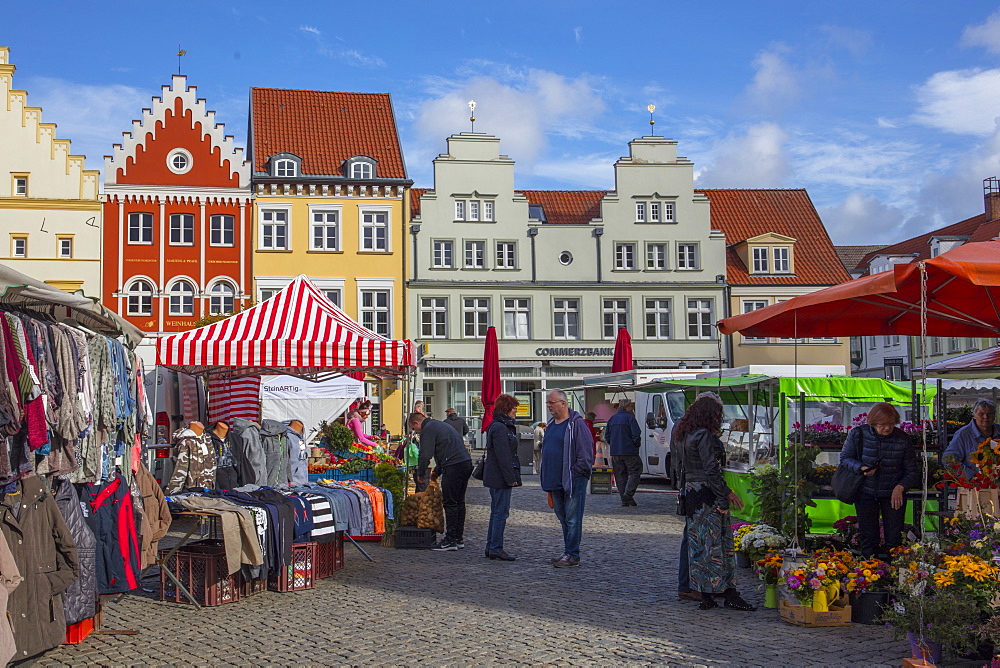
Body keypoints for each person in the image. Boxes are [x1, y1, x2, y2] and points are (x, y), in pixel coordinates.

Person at [675, 394, 755, 611]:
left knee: (699, 546)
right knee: (719, 545)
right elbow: (712, 470)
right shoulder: (704, 437)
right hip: (706, 494)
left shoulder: (685, 434)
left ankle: (707, 595)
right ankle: (728, 592)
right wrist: (724, 497)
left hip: (692, 492)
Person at [840, 402, 919, 558]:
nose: (887, 428)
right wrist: (861, 468)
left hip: (893, 494)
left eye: (891, 424)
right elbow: (845, 458)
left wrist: (901, 487)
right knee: (869, 538)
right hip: (865, 492)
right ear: (873, 423)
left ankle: (895, 574)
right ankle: (869, 573)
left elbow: (912, 471)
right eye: (883, 424)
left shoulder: (902, 439)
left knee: (894, 539)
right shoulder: (858, 434)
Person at [540, 390, 594, 568]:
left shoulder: (576, 425)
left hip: (572, 480)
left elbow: (586, 453)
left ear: (563, 403)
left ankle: (573, 555)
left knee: (572, 518)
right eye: (548, 403)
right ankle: (567, 551)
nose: (549, 406)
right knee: (563, 518)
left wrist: (577, 472)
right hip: (554, 480)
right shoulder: (551, 424)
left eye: (552, 403)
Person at [408, 411, 474, 551]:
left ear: (416, 423)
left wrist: (421, 472)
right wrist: (437, 470)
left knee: (450, 503)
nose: (416, 432)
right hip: (465, 462)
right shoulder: (439, 425)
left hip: (453, 466)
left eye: (414, 429)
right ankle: (458, 538)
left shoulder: (428, 429)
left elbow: (425, 454)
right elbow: (447, 449)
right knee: (459, 502)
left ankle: (450, 539)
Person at [483, 394, 522, 561]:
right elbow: (503, 455)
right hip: (500, 476)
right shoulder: (500, 427)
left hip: (497, 475)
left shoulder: (498, 425)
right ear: (507, 409)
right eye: (514, 408)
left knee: (497, 511)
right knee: (500, 512)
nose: (516, 412)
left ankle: (492, 546)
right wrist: (510, 477)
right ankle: (495, 547)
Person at [944, 399, 1000, 479]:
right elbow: (948, 459)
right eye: (981, 414)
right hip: (974, 486)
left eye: (990, 414)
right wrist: (971, 476)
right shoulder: (963, 434)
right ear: (974, 415)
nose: (986, 417)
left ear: (994, 415)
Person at [606, 399, 642, 507]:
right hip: (629, 451)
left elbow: (607, 436)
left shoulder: (612, 419)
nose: (632, 409)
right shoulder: (630, 418)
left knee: (620, 475)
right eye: (631, 407)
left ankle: (624, 499)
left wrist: (613, 444)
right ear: (627, 407)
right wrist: (636, 445)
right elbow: (636, 434)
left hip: (616, 452)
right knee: (636, 471)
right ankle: (628, 493)